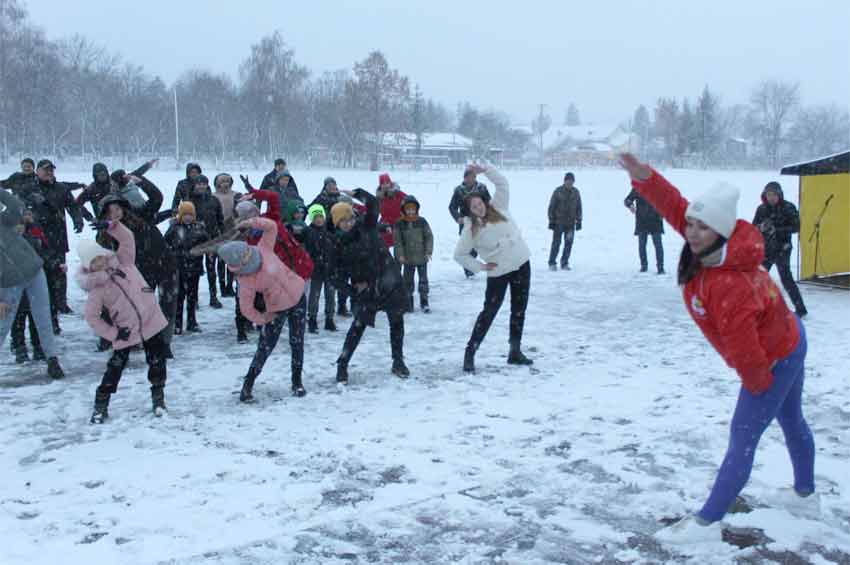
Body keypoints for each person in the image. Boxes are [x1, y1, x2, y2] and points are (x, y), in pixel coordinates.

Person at [618, 153, 815, 544]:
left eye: (701, 227)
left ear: (720, 232)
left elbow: (747, 354)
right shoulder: (706, 243)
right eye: (691, 224)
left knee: (744, 435)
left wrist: (759, 385)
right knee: (791, 420)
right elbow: (675, 205)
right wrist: (644, 176)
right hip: (789, 336)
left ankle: (708, 522)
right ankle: (806, 496)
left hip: (776, 353)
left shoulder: (730, 285)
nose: (691, 231)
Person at [78, 221, 169, 423]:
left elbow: (127, 238)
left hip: (151, 319)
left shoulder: (124, 262)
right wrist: (113, 334)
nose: (100, 262)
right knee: (116, 367)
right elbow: (91, 317)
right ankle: (101, 404)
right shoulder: (97, 289)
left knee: (157, 361)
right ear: (88, 266)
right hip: (126, 330)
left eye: (100, 257)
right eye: (94, 261)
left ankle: (158, 399)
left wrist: (112, 226)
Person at [217, 217, 307, 402]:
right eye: (248, 258)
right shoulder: (245, 281)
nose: (252, 256)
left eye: (250, 253)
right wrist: (263, 318)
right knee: (265, 347)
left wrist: (250, 222)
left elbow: (272, 225)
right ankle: (248, 385)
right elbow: (246, 309)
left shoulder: (263, 248)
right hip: (276, 308)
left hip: (298, 296)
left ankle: (297, 381)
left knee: (297, 342)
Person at [454, 165, 533, 373]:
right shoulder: (470, 228)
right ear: (469, 210)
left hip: (522, 264)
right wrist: (479, 266)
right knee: (489, 312)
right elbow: (459, 255)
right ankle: (470, 352)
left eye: (479, 203)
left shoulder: (498, 206)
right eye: (474, 206)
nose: (478, 207)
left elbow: (502, 183)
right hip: (498, 272)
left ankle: (514, 351)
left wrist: (485, 170)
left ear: (483, 201)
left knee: (519, 309)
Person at [329, 188, 409, 384]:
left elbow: (373, 202)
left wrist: (356, 192)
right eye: (343, 221)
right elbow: (333, 276)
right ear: (337, 224)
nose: (348, 223)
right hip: (366, 290)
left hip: (389, 280)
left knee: (396, 322)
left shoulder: (367, 224)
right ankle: (342, 364)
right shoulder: (337, 244)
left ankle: (398, 361)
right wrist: (352, 290)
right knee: (358, 326)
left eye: (349, 218)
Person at [97, 172, 178, 355]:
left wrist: (140, 181)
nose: (115, 213)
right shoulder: (105, 232)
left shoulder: (142, 215)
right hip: (140, 272)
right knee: (140, 307)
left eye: (118, 209)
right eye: (110, 211)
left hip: (165, 264)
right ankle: (130, 338)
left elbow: (157, 197)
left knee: (167, 305)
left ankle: (164, 344)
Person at [0, 188, 65, 379]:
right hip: (8, 283)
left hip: (34, 271)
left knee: (43, 317)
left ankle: (52, 360)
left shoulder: (2, 221)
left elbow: (17, 207)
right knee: (3, 324)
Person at [15, 159, 85, 321]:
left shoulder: (61, 188)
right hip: (36, 240)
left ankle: (57, 309)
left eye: (51, 170)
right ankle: (40, 316)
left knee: (58, 277)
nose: (49, 172)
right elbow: (17, 206)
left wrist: (78, 219)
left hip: (58, 239)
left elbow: (73, 205)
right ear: (37, 171)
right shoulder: (28, 188)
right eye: (45, 170)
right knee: (39, 278)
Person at [753, 182, 807, 317]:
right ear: (764, 195)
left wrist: (776, 230)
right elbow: (753, 227)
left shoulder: (788, 207)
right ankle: (756, 309)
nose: (771, 198)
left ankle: (801, 310)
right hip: (766, 249)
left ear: (779, 195)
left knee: (786, 279)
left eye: (774, 195)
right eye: (768, 195)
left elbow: (796, 227)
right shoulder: (761, 209)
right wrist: (761, 228)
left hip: (783, 248)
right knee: (757, 279)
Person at [9, 207, 50, 363]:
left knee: (35, 317)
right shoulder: (7, 241)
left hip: (34, 284)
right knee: (17, 318)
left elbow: (45, 254)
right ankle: (20, 348)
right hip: (14, 285)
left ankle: (38, 347)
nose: (19, 227)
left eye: (28, 216)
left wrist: (52, 263)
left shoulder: (35, 237)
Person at [164, 202, 209, 334]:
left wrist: (207, 253)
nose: (188, 217)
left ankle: (192, 322)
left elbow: (207, 243)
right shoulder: (174, 228)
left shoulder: (199, 228)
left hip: (194, 268)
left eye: (190, 215)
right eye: (185, 215)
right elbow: (165, 244)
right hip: (179, 268)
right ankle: (177, 324)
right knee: (179, 297)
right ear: (180, 215)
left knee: (192, 296)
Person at [187, 174, 225, 309]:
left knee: (211, 269)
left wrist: (222, 236)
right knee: (195, 271)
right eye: (199, 184)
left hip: (212, 239)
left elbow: (220, 220)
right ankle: (194, 299)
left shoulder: (214, 200)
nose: (201, 186)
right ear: (195, 185)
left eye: (204, 183)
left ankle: (213, 297)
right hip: (195, 240)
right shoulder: (190, 200)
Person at [449, 166, 492, 278]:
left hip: (480, 221)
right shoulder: (459, 191)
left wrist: (488, 216)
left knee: (478, 246)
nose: (470, 179)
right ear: (464, 178)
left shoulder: (481, 188)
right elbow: (452, 207)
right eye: (468, 177)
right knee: (466, 247)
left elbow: (489, 203)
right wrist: (458, 217)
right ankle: (469, 270)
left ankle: (476, 267)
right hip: (466, 222)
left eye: (472, 177)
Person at [394, 195, 433, 313]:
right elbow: (397, 241)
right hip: (408, 259)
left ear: (416, 209)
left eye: (413, 209)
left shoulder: (422, 222)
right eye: (408, 209)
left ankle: (424, 301)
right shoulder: (400, 223)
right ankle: (408, 302)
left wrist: (428, 251)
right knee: (407, 281)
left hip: (421, 257)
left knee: (423, 280)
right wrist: (400, 255)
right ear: (403, 210)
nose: (410, 211)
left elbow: (429, 237)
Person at [304, 204, 337, 333]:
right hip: (316, 269)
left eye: (321, 217)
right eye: (316, 217)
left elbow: (335, 248)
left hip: (329, 269)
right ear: (312, 218)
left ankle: (329, 319)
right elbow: (307, 250)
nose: (319, 219)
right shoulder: (308, 232)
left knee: (330, 295)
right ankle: (312, 319)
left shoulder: (328, 232)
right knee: (314, 296)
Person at [212, 173, 242, 297]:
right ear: (217, 183)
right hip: (218, 230)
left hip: (233, 229)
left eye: (227, 181)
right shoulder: (212, 197)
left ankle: (230, 285)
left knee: (232, 259)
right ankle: (222, 285)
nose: (224, 184)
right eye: (222, 181)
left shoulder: (236, 195)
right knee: (220, 260)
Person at [624, 186, 665, 274]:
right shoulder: (638, 187)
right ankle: (644, 266)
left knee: (658, 245)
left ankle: (660, 267)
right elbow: (627, 200)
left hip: (656, 219)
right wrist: (630, 205)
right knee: (642, 245)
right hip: (642, 220)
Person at [547, 172, 582, 271]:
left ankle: (564, 263)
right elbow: (551, 207)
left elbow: (579, 207)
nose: (570, 183)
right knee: (556, 243)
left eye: (571, 181)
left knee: (568, 244)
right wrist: (551, 220)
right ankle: (552, 263)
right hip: (559, 223)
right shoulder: (558, 191)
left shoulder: (576, 192)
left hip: (571, 224)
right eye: (568, 181)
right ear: (564, 181)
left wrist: (579, 221)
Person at [376, 173, 407, 249]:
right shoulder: (379, 198)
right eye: (383, 183)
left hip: (399, 224)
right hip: (385, 225)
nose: (385, 185)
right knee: (378, 242)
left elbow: (411, 203)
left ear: (390, 183)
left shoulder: (398, 194)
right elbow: (370, 207)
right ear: (380, 186)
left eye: (387, 182)